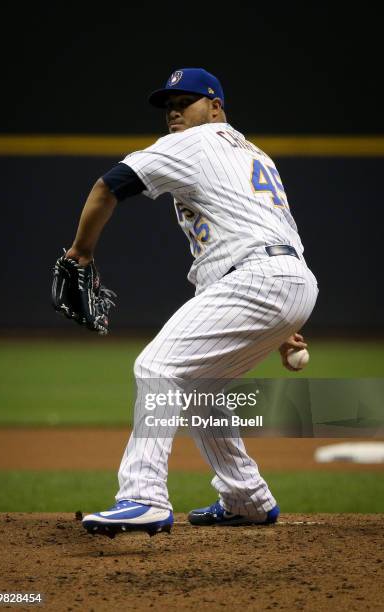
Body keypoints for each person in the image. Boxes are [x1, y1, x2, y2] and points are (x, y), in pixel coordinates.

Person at [65, 68, 318, 538]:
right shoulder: (252, 153)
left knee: (157, 367)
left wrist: (79, 253)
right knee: (203, 390)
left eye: (187, 101)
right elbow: (265, 231)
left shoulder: (195, 143)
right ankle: (247, 499)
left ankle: (142, 497)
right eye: (169, 106)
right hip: (286, 276)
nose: (175, 112)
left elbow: (108, 186)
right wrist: (281, 319)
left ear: (216, 108)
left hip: (256, 277)